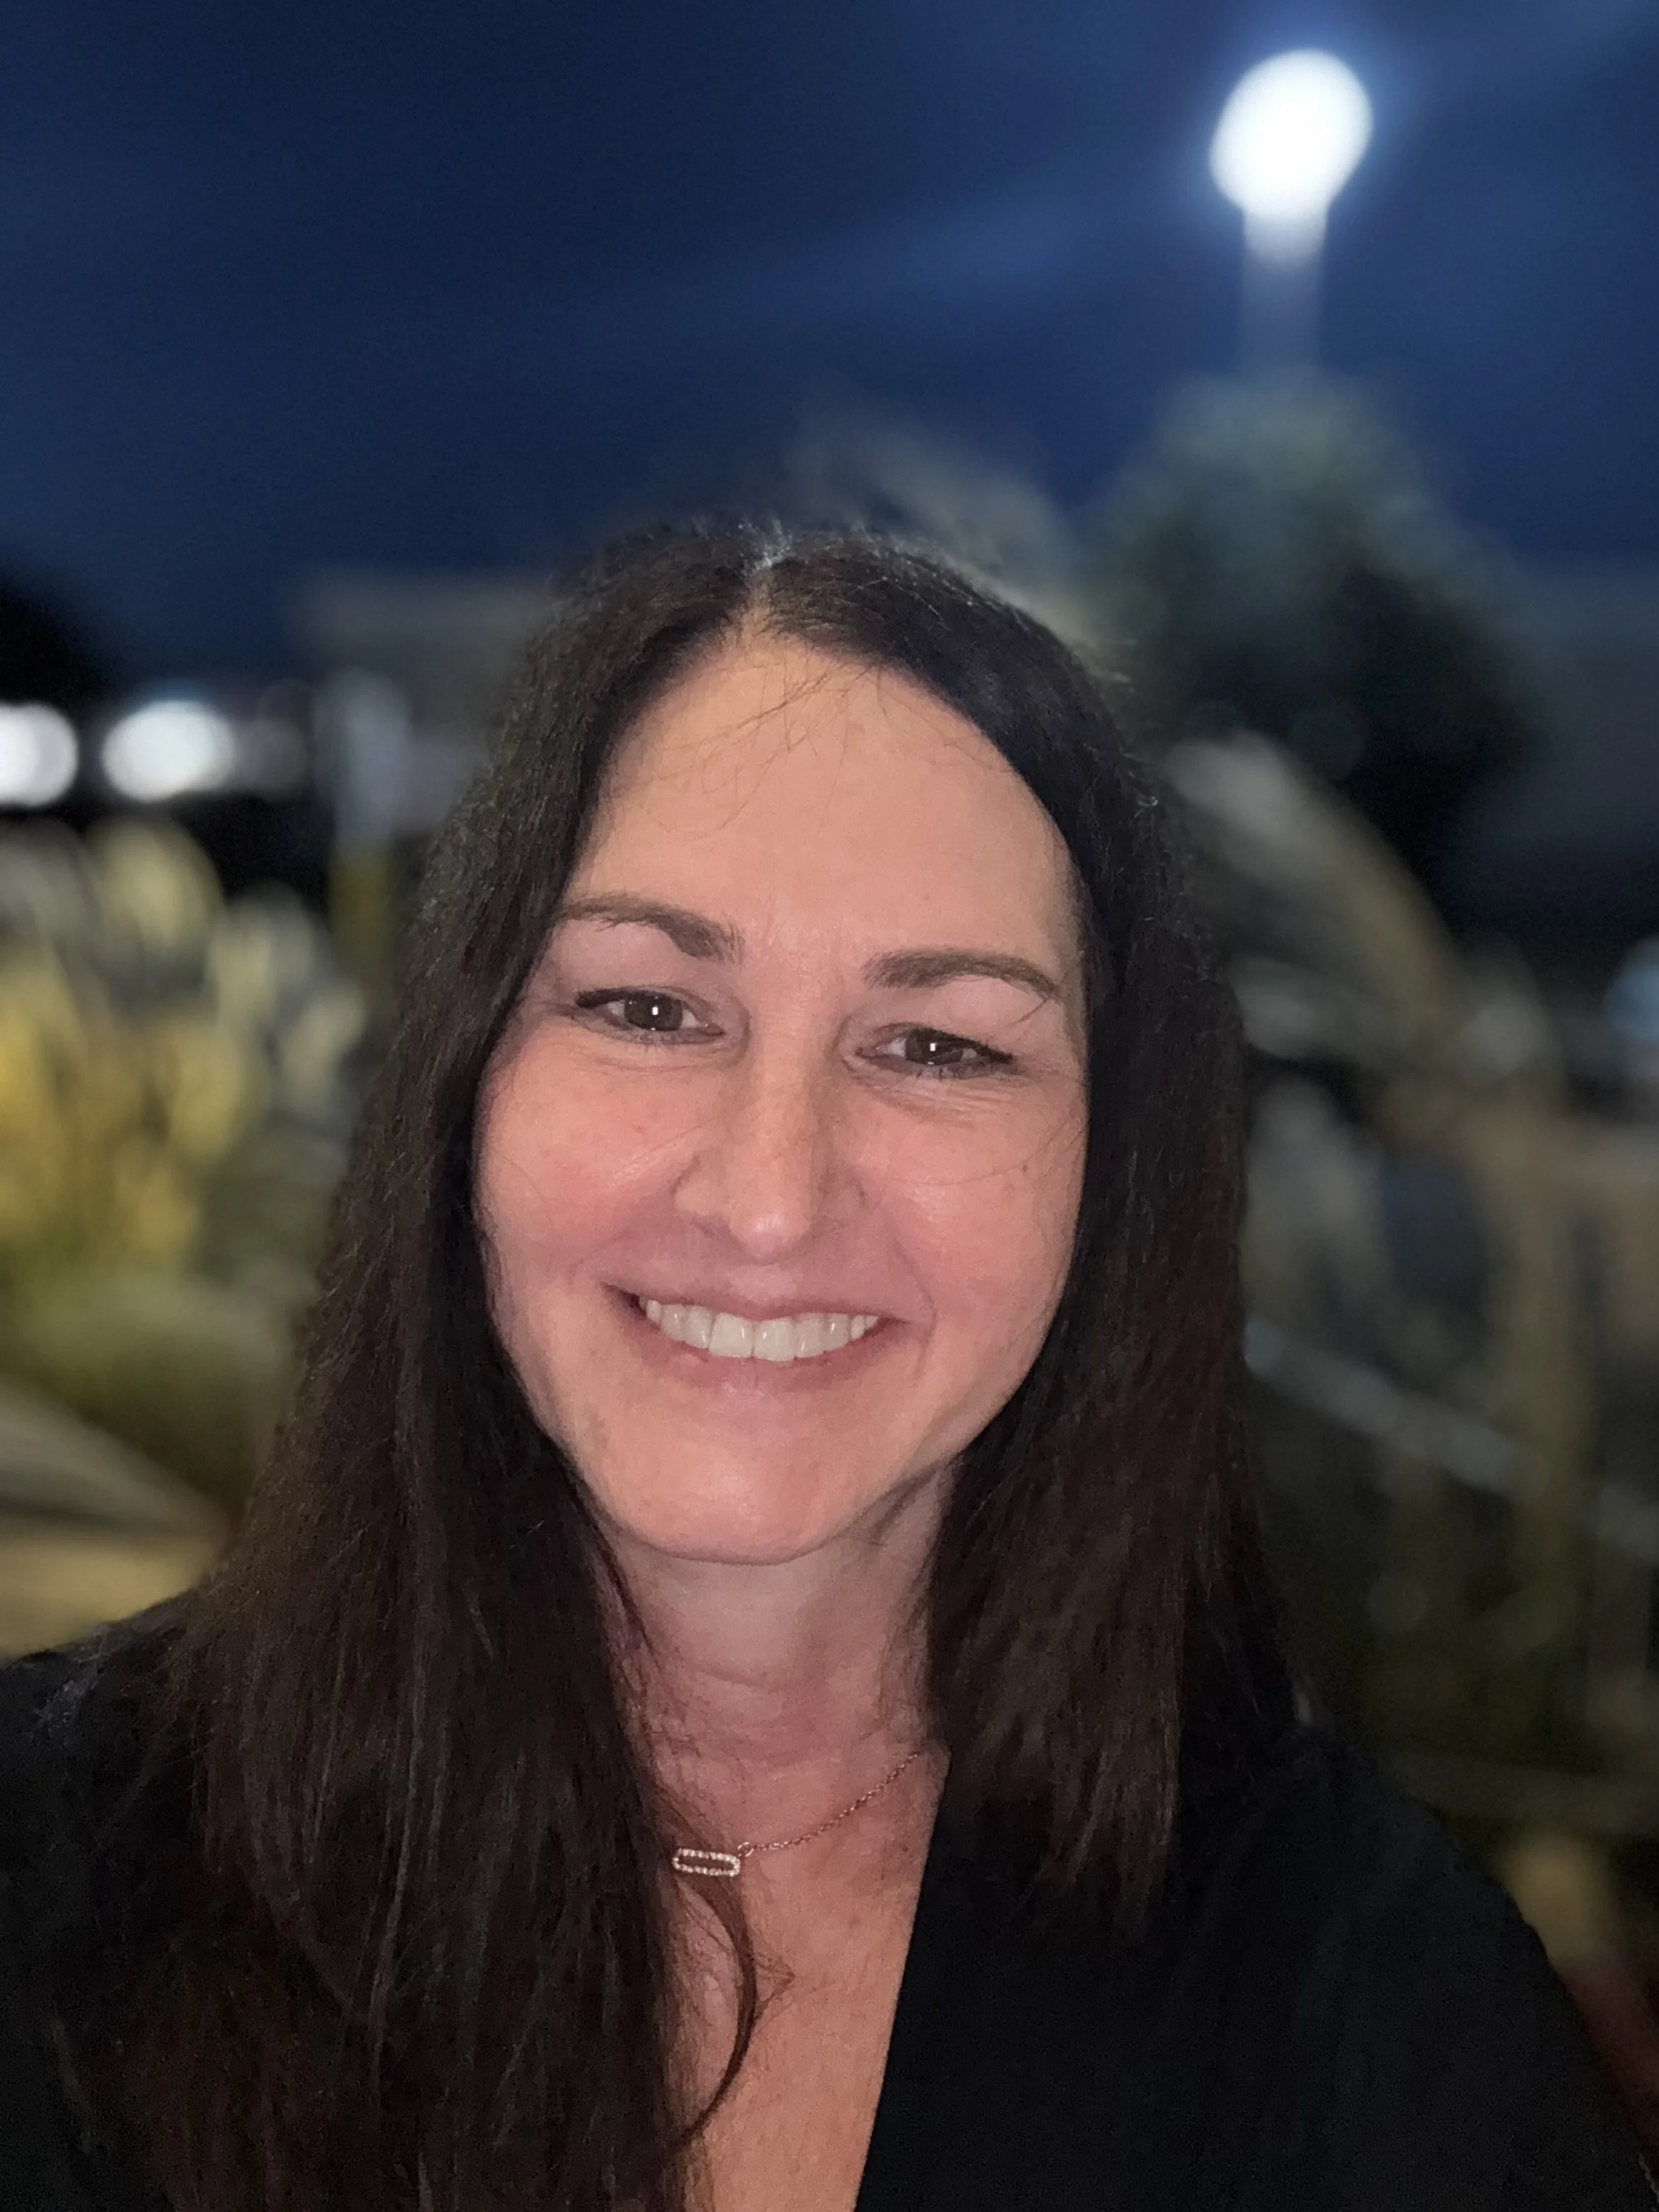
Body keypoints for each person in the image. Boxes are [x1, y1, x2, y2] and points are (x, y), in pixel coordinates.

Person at [0, 526, 1650, 2212]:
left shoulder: (1368, 2003)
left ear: (1113, 1179)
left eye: (938, 1043)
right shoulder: (46, 1885)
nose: (770, 1197)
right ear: (465, 1087)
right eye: (650, 1008)